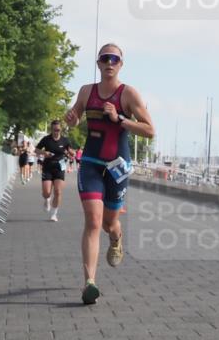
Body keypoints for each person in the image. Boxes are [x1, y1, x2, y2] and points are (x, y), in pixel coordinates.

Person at [65, 43, 154, 305]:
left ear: (121, 64)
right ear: (98, 63)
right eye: (105, 58)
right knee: (93, 221)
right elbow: (75, 117)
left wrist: (120, 120)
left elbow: (150, 130)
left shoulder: (128, 94)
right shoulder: (86, 91)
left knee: (107, 223)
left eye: (114, 59)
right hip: (91, 162)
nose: (109, 63)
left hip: (118, 165)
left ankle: (116, 237)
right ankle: (89, 283)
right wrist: (71, 119)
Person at [36, 121, 74, 221]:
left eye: (58, 130)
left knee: (58, 192)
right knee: (46, 192)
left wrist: (71, 152)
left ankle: (54, 214)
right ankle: (47, 199)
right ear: (51, 130)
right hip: (48, 167)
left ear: (61, 129)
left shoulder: (65, 140)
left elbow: (72, 153)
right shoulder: (46, 139)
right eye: (54, 130)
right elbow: (36, 150)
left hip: (59, 167)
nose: (57, 132)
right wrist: (44, 152)